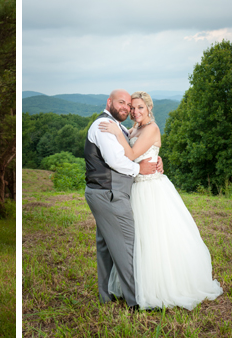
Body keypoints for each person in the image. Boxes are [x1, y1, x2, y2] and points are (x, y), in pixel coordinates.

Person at [99, 91, 223, 310]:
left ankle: (161, 287)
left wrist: (117, 134)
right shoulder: (134, 129)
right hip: (135, 188)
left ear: (149, 109)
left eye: (140, 108)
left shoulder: (152, 128)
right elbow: (134, 152)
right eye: (132, 108)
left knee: (156, 237)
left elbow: (130, 154)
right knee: (138, 240)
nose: (135, 112)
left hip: (151, 189)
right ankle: (137, 284)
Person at [84, 89, 160, 312]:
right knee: (127, 245)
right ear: (109, 102)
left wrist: (155, 158)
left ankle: (106, 295)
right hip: (109, 193)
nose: (127, 108)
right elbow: (116, 160)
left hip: (106, 192)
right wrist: (140, 169)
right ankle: (136, 300)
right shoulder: (104, 126)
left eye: (131, 105)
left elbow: (140, 146)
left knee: (106, 245)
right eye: (122, 103)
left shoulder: (122, 127)